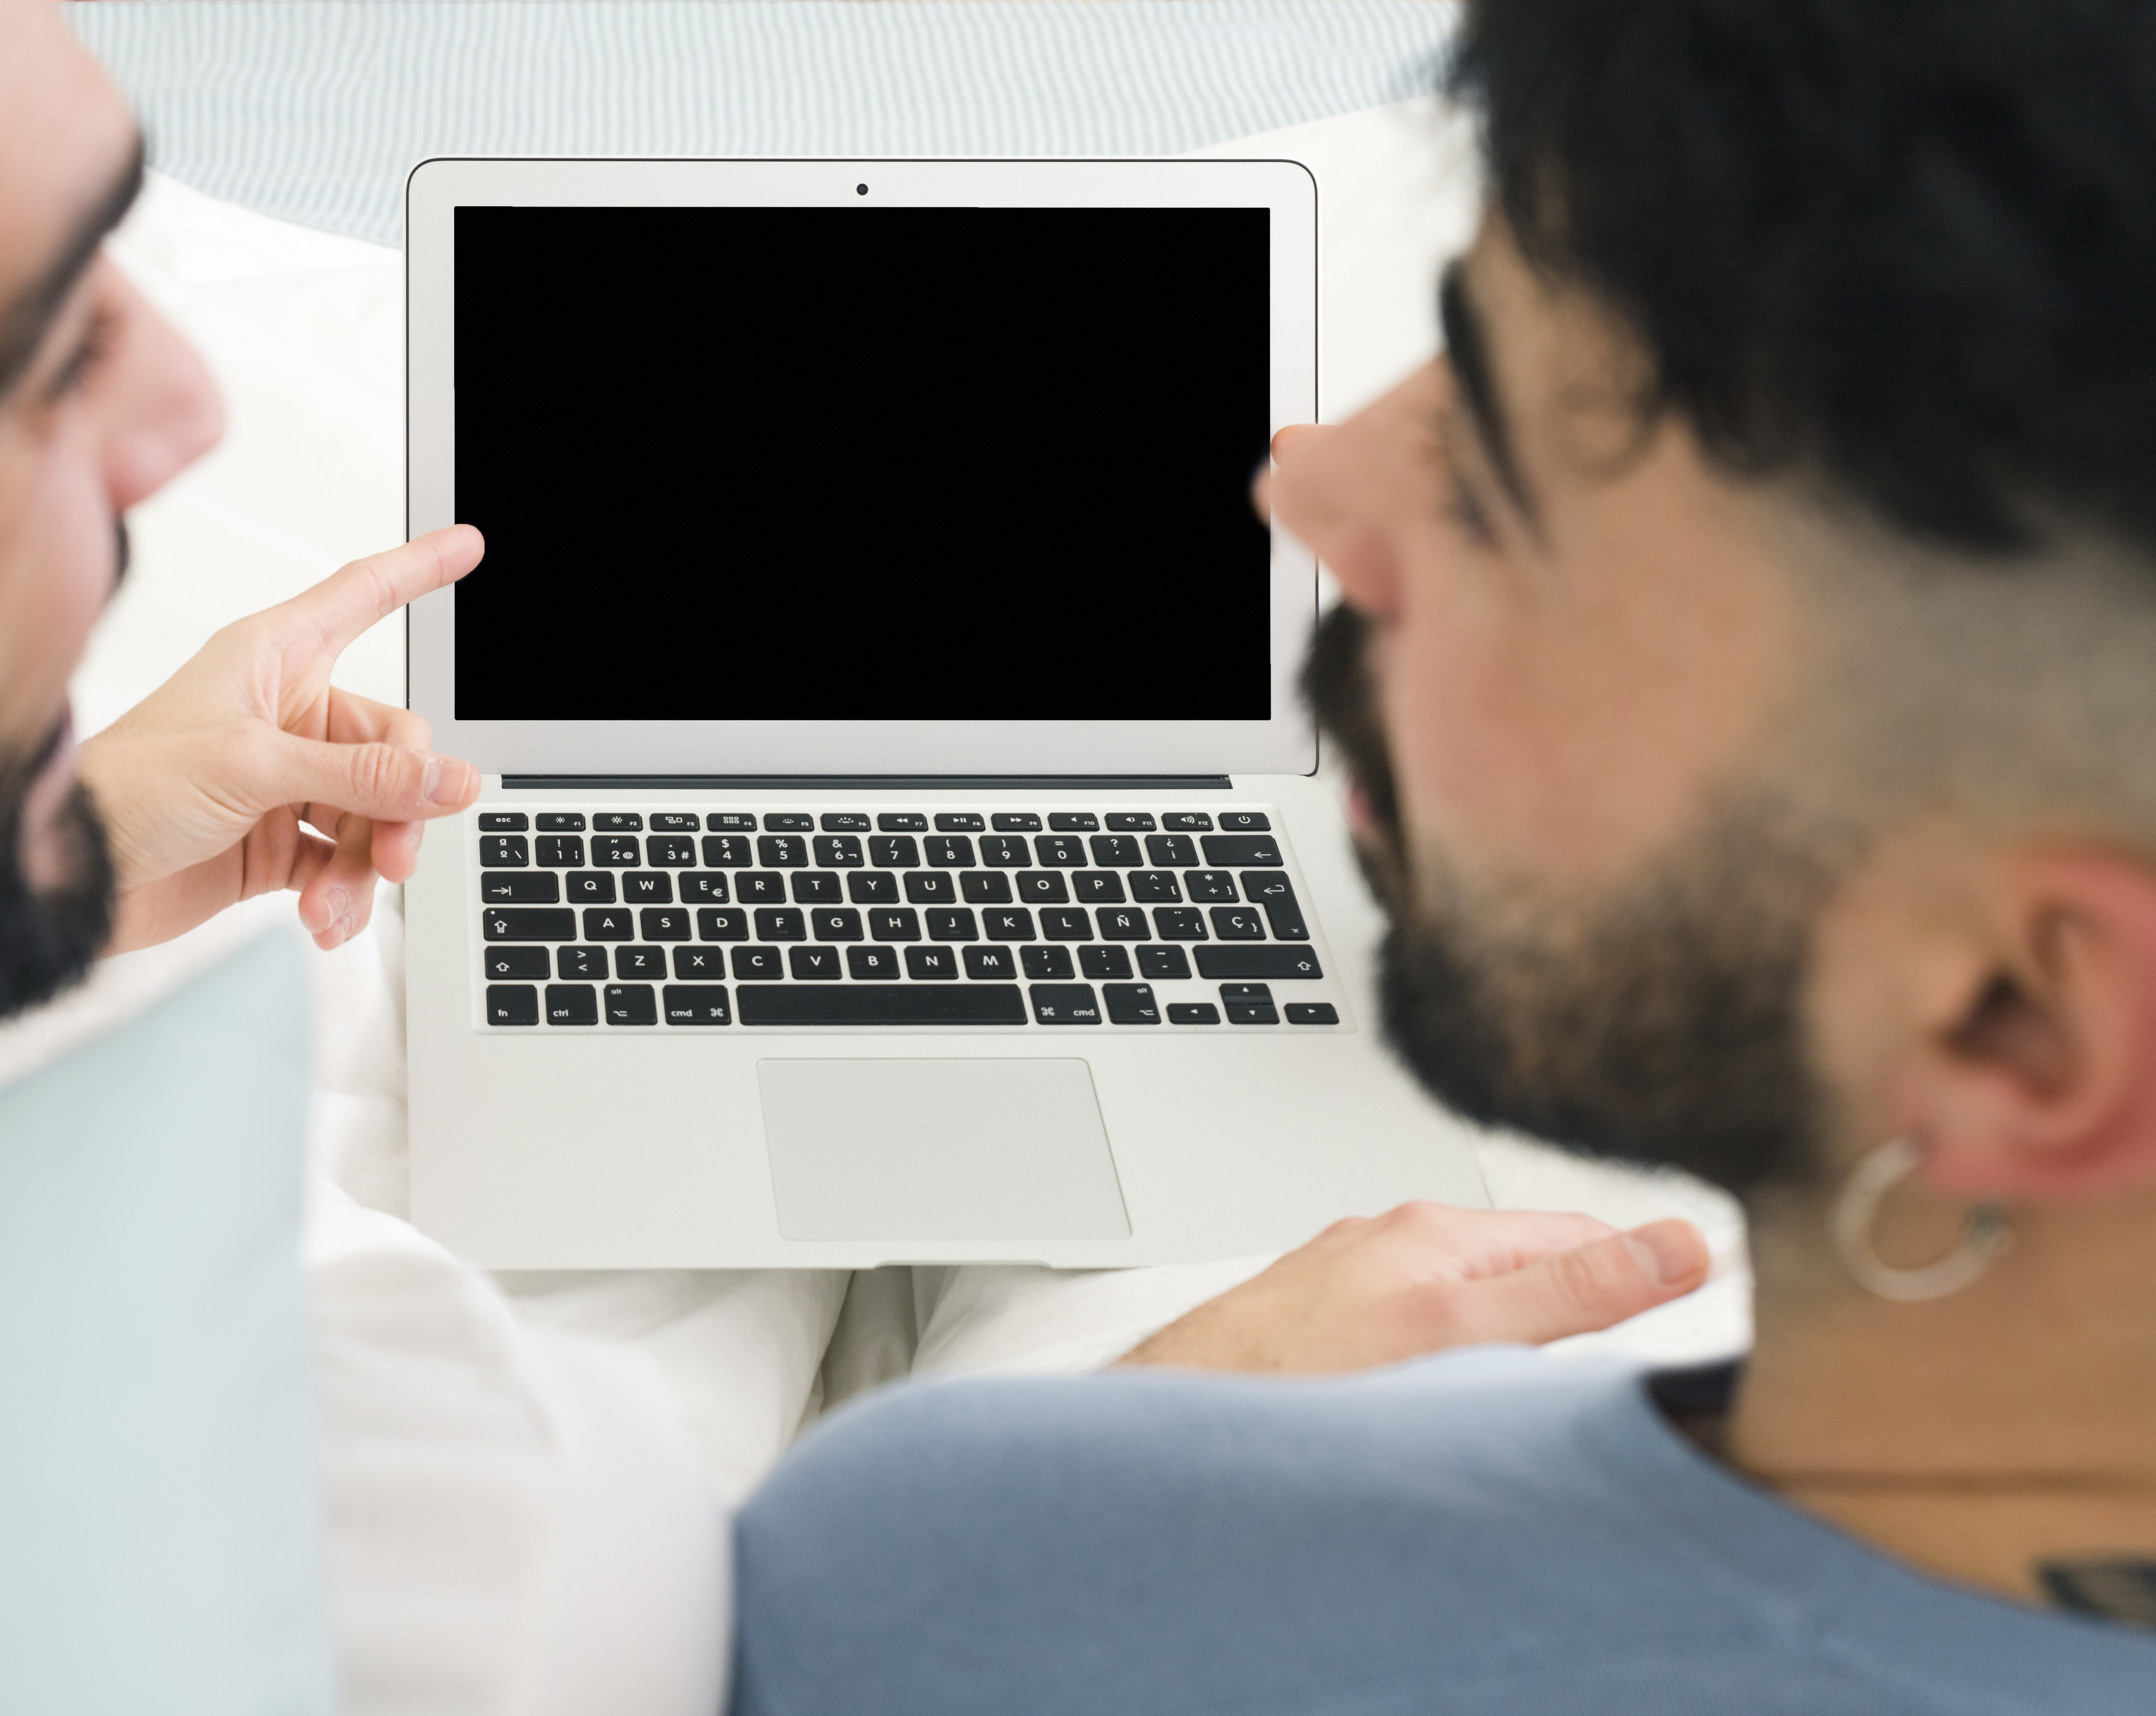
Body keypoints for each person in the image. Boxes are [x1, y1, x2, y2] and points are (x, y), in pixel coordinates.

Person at [0, 1, 1722, 1711]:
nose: (188, 416)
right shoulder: (328, 1482)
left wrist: (38, 871)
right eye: (42, 345)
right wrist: (1169, 1441)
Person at [730, 0, 2156, 1709]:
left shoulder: (954, 1589)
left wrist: (1125, 1488)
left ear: (2018, 1024)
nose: (1308, 484)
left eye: (1487, 480)